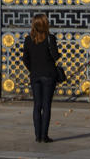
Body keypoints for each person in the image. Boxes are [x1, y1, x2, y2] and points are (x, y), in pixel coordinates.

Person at [22, 13, 60, 144]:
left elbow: (25, 58)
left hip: (35, 75)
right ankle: (45, 136)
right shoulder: (50, 38)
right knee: (46, 105)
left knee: (37, 105)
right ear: (45, 24)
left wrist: (32, 69)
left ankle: (37, 136)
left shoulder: (28, 39)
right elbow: (56, 56)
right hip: (49, 75)